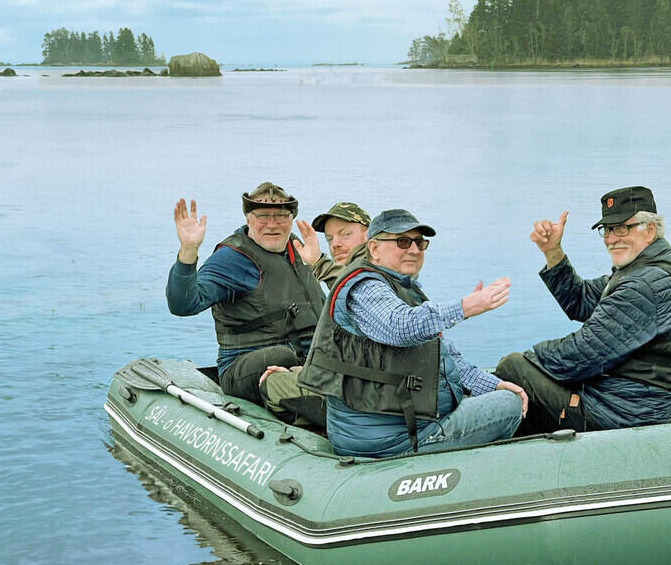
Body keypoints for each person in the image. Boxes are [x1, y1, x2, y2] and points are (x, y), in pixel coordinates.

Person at [298, 209, 528, 457]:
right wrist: (467, 306)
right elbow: (400, 326)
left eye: (420, 243)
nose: (414, 250)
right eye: (402, 242)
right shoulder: (365, 288)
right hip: (389, 439)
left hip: (400, 425)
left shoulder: (399, 287)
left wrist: (493, 384)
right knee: (508, 405)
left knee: (503, 393)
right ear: (374, 248)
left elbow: (441, 354)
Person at [495, 186, 671, 434]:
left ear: (650, 230)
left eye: (623, 228)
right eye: (608, 229)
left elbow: (581, 354)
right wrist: (552, 251)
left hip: (627, 414)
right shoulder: (653, 268)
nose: (612, 238)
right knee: (525, 370)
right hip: (636, 403)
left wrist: (528, 362)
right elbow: (580, 300)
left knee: (512, 367)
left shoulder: (643, 285)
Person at [166, 181, 327, 425]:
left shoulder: (299, 250)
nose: (272, 224)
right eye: (263, 216)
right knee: (280, 356)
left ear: (292, 219)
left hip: (308, 362)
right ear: (248, 218)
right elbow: (183, 304)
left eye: (281, 216)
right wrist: (188, 250)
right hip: (245, 369)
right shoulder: (233, 258)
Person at [257, 202, 372, 417]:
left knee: (271, 385)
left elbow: (355, 287)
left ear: (369, 236)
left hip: (366, 396)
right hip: (364, 384)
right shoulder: (379, 270)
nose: (335, 244)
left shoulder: (368, 280)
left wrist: (319, 263)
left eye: (345, 235)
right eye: (330, 239)